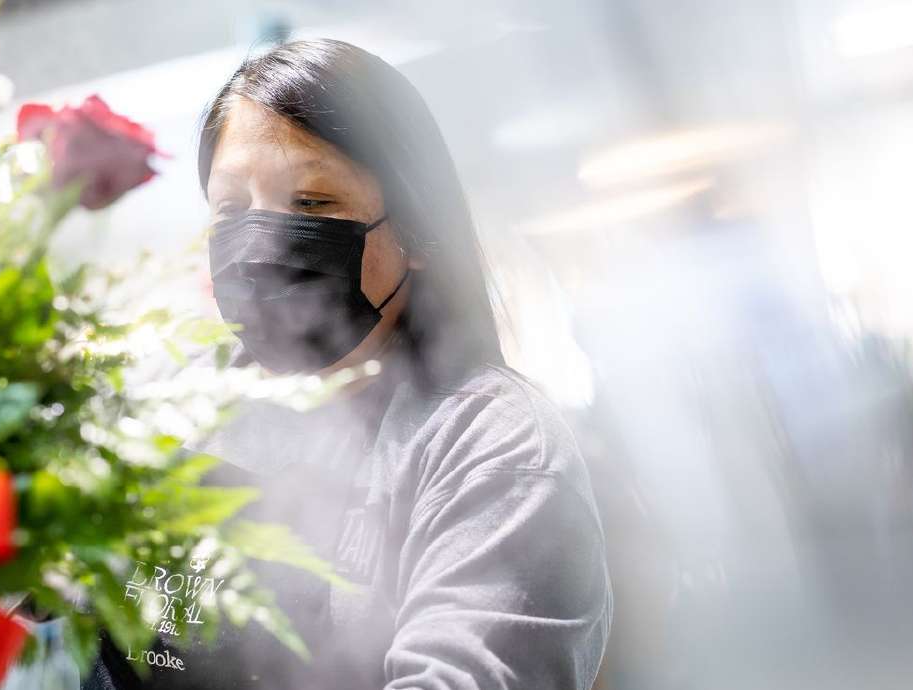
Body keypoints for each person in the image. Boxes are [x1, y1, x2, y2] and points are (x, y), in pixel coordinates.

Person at [86, 38, 612, 690]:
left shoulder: (490, 444)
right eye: (232, 208)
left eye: (311, 203)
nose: (261, 245)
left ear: (418, 230)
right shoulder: (168, 402)